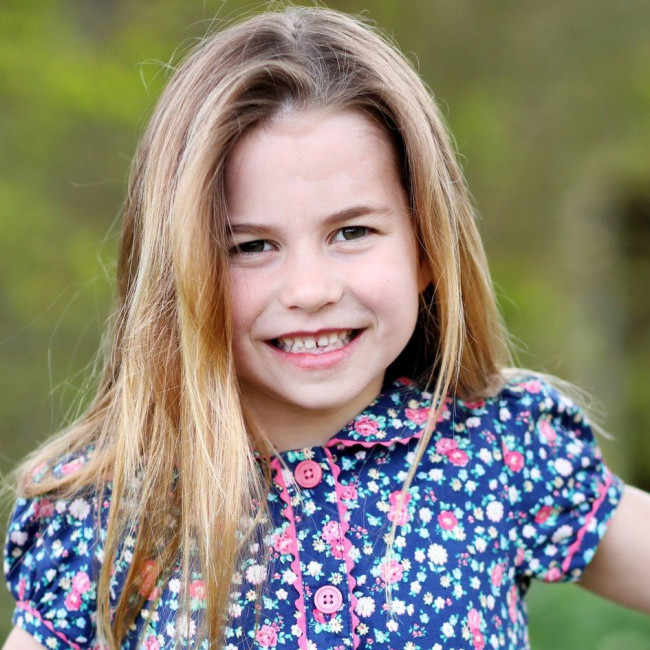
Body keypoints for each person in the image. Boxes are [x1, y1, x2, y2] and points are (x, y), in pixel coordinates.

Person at [3, 6, 650, 650]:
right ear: (178, 274)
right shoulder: (110, 506)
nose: (310, 291)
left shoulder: (501, 449)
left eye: (352, 232)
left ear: (427, 247)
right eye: (251, 247)